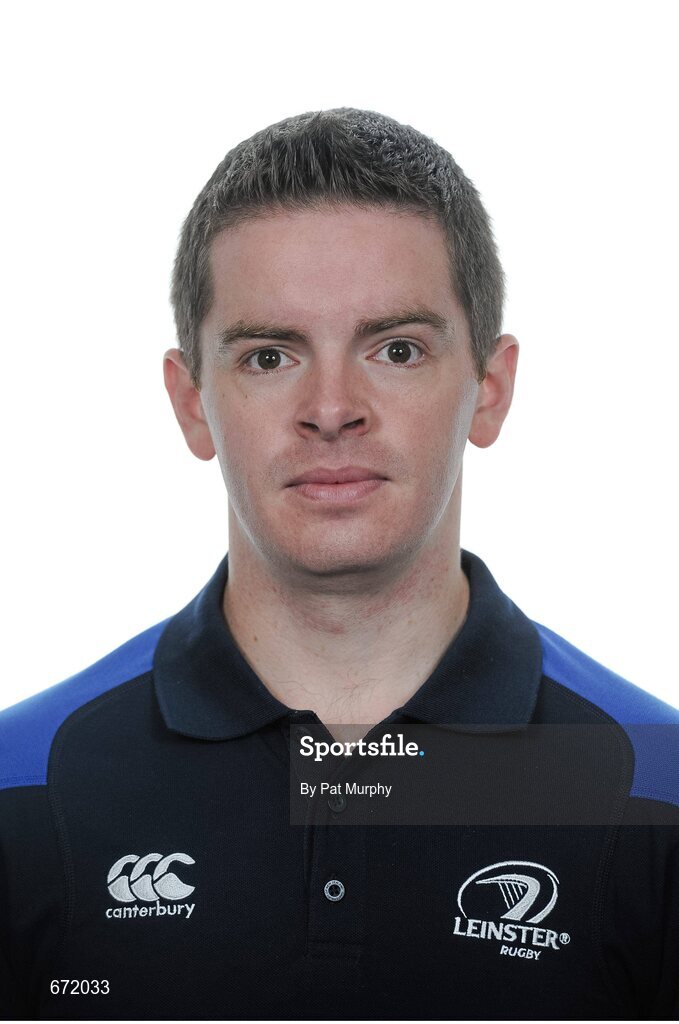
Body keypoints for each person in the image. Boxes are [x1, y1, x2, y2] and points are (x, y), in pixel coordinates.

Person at [1, 107, 678, 1022]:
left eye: (395, 350)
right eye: (269, 354)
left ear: (490, 388)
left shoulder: (656, 790)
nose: (330, 408)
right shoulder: (23, 788)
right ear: (192, 403)